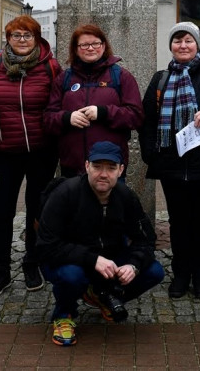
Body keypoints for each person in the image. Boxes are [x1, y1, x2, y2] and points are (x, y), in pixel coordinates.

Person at [140, 22, 200, 301]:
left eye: (188, 41)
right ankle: (181, 274)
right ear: (170, 46)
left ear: (198, 45)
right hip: (172, 166)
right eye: (177, 41)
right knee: (178, 223)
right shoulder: (160, 79)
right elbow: (146, 120)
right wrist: (151, 154)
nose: (183, 46)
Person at [36, 141, 165, 347]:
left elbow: (146, 239)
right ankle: (63, 315)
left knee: (154, 271)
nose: (103, 174)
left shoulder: (126, 196)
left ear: (121, 170)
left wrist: (133, 265)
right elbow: (45, 246)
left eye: (111, 168)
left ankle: (103, 295)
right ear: (87, 166)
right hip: (68, 260)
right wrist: (92, 259)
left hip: (109, 258)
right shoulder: (65, 194)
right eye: (97, 167)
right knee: (72, 276)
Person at [0, 15, 62, 297]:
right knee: (1, 213)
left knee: (37, 210)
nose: (23, 40)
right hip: (4, 151)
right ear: (8, 38)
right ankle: (0, 271)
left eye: (28, 35)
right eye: (17, 35)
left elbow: (58, 104)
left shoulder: (50, 67)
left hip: (42, 150)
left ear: (37, 38)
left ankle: (32, 263)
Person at [45, 24, 143, 177]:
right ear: (76, 49)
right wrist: (67, 118)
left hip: (109, 166)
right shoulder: (64, 79)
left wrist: (103, 112)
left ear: (104, 46)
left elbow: (136, 116)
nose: (90, 48)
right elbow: (48, 118)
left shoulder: (122, 76)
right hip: (72, 166)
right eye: (84, 45)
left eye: (95, 43)